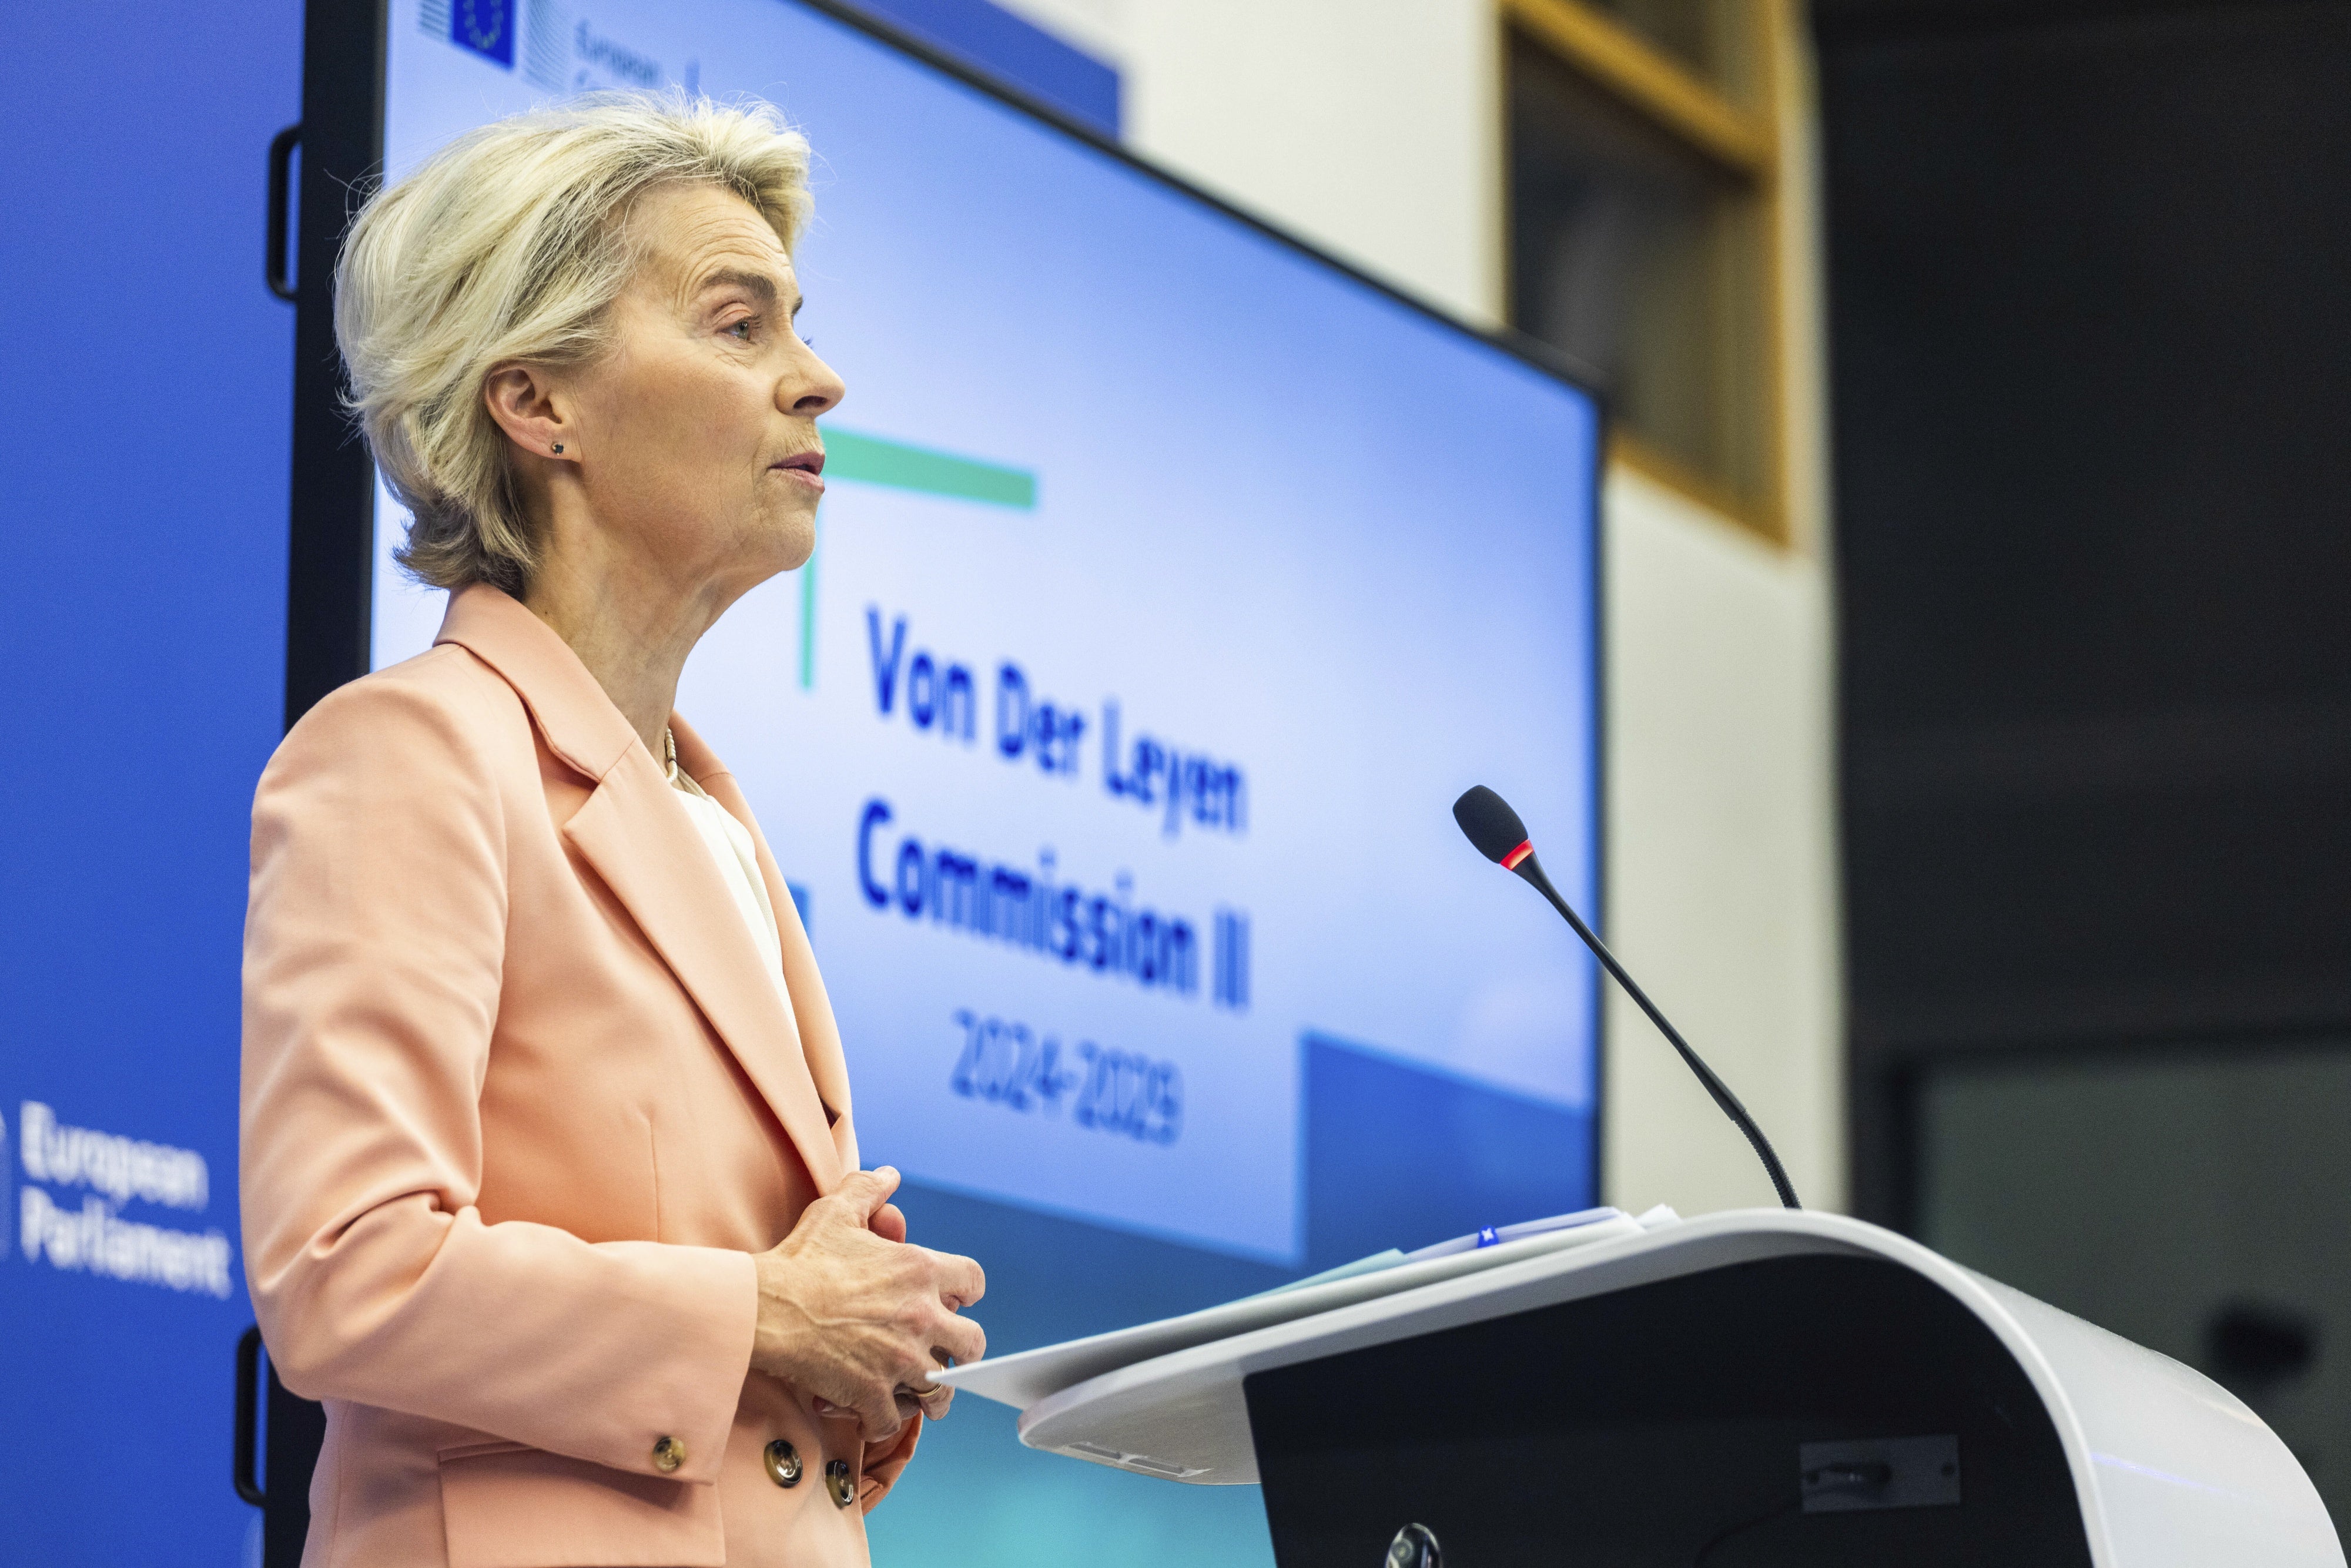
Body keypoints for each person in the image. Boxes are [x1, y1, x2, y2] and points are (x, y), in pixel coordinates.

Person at [240, 93, 986, 1568]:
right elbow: (345, 1267)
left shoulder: (713, 811)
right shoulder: (413, 751)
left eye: (797, 325)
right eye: (737, 325)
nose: (816, 378)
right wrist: (767, 1315)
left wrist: (861, 1370)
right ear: (537, 404)